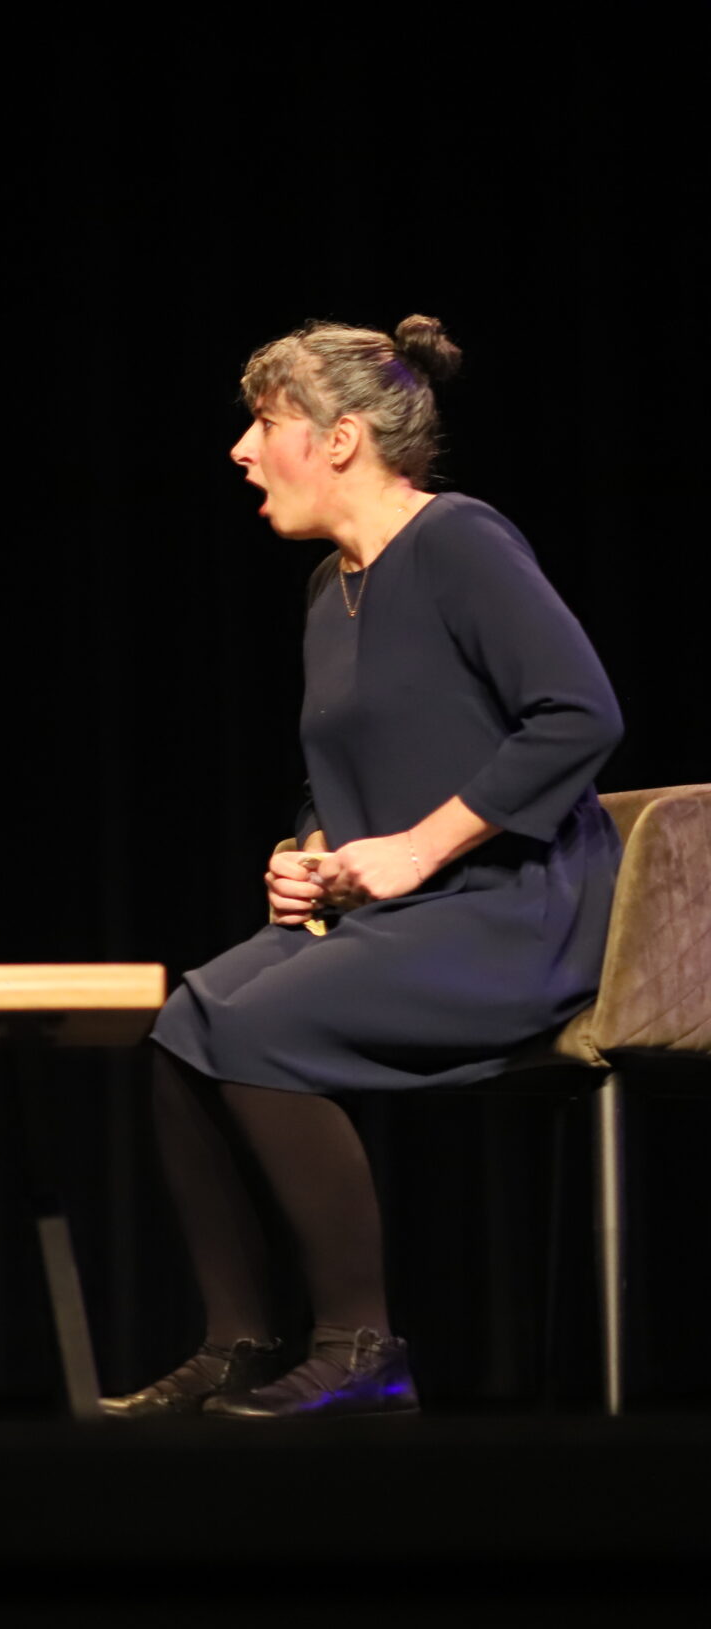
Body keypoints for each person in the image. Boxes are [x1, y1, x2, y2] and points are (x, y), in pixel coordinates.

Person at [114, 316, 622, 1421]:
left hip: (512, 908)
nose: (242, 450)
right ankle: (238, 1342)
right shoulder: (328, 590)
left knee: (253, 1024)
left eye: (264, 424)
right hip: (403, 912)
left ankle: (362, 1349)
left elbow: (579, 714)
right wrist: (310, 855)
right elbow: (338, 777)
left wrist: (418, 847)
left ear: (340, 438)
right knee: (182, 1021)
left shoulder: (457, 541)